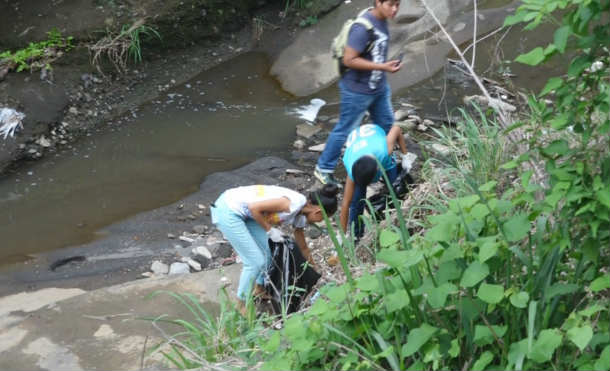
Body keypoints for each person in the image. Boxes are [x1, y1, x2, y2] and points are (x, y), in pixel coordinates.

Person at [210, 184, 339, 315]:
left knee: (269, 253)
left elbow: (303, 247)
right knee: (255, 262)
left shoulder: (300, 216)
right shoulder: (293, 203)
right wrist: (270, 230)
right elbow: (253, 208)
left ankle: (260, 289)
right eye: (323, 219)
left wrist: (313, 269)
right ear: (318, 212)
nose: (319, 222)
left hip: (249, 215)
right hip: (228, 209)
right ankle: (241, 304)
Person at [314, 0, 402, 186]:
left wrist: (384, 68)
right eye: (391, 4)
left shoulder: (382, 19)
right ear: (378, 2)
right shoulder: (362, 28)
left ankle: (388, 168)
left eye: (398, 4)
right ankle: (323, 169)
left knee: (387, 126)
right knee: (344, 129)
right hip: (357, 91)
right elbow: (349, 60)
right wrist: (382, 66)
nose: (395, 9)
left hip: (378, 87)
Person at [340, 123, 412, 238]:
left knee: (396, 188)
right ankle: (356, 235)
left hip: (373, 133)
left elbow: (397, 129)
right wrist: (341, 235)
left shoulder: (384, 150)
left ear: (378, 169)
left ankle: (399, 219)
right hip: (357, 142)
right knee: (356, 202)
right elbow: (345, 203)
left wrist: (405, 156)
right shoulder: (351, 166)